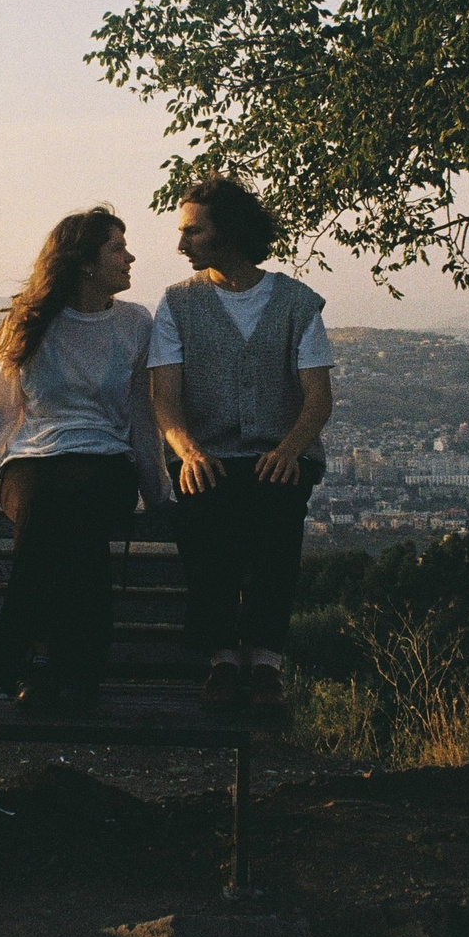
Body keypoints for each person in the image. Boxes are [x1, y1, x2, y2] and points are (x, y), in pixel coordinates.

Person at [0, 207, 167, 714]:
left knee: (72, 501)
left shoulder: (135, 323)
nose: (130, 256)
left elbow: (141, 412)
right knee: (59, 507)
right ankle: (77, 667)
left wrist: (157, 493)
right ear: (86, 263)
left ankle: (23, 656)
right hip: (33, 461)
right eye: (117, 247)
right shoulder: (33, 321)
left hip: (105, 460)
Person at [148, 176, 335, 709]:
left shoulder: (297, 304)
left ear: (227, 233)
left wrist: (289, 449)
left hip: (278, 452)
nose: (181, 244)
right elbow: (165, 397)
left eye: (192, 231)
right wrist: (188, 451)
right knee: (206, 515)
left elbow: (317, 398)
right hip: (207, 453)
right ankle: (222, 656)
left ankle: (266, 659)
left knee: (277, 516)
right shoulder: (177, 304)